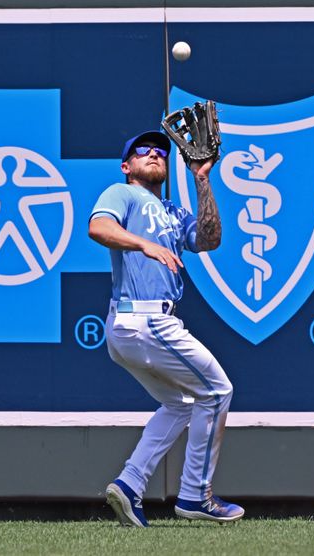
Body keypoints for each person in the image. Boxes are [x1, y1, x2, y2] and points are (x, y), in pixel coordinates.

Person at [88, 130, 243, 527]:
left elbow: (209, 239)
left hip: (136, 325)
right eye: (144, 150)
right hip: (144, 318)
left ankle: (129, 484)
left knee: (181, 403)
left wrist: (202, 178)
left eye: (160, 150)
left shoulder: (173, 211)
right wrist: (143, 244)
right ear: (127, 166)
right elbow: (99, 228)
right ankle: (195, 495)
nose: (154, 153)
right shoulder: (122, 194)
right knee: (217, 390)